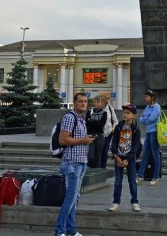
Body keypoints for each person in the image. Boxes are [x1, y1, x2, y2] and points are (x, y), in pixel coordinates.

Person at [55, 92, 95, 236]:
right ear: (74, 103)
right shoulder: (69, 117)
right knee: (70, 198)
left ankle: (71, 231)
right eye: (80, 101)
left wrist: (86, 140)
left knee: (74, 199)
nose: (83, 104)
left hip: (81, 162)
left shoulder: (82, 119)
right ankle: (59, 232)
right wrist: (83, 141)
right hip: (71, 162)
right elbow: (63, 140)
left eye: (85, 101)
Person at [108, 104, 142, 212]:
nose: (125, 115)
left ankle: (135, 202)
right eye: (124, 113)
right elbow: (113, 142)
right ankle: (116, 202)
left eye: (128, 113)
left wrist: (128, 159)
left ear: (133, 115)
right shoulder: (119, 127)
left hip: (130, 159)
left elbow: (136, 146)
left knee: (132, 181)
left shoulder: (136, 128)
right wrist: (116, 156)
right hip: (118, 157)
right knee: (118, 181)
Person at [136, 90, 161, 185]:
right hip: (148, 132)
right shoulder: (147, 107)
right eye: (145, 96)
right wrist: (148, 118)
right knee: (145, 154)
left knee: (155, 155)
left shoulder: (157, 107)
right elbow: (141, 119)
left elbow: (152, 118)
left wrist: (147, 118)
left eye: (147, 96)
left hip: (155, 132)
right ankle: (140, 176)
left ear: (152, 97)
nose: (145, 98)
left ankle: (155, 177)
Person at [85, 95, 108, 168]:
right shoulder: (89, 112)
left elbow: (101, 125)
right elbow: (86, 123)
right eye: (95, 102)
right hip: (90, 135)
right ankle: (90, 169)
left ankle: (96, 171)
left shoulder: (104, 113)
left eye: (98, 102)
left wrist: (91, 122)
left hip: (99, 135)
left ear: (102, 103)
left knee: (98, 156)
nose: (96, 104)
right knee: (90, 155)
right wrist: (94, 124)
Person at [100, 96, 119, 169]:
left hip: (108, 133)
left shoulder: (110, 109)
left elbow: (115, 121)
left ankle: (103, 168)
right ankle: (97, 167)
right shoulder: (95, 110)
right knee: (99, 152)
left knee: (105, 151)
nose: (100, 103)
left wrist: (113, 129)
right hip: (99, 133)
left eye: (102, 101)